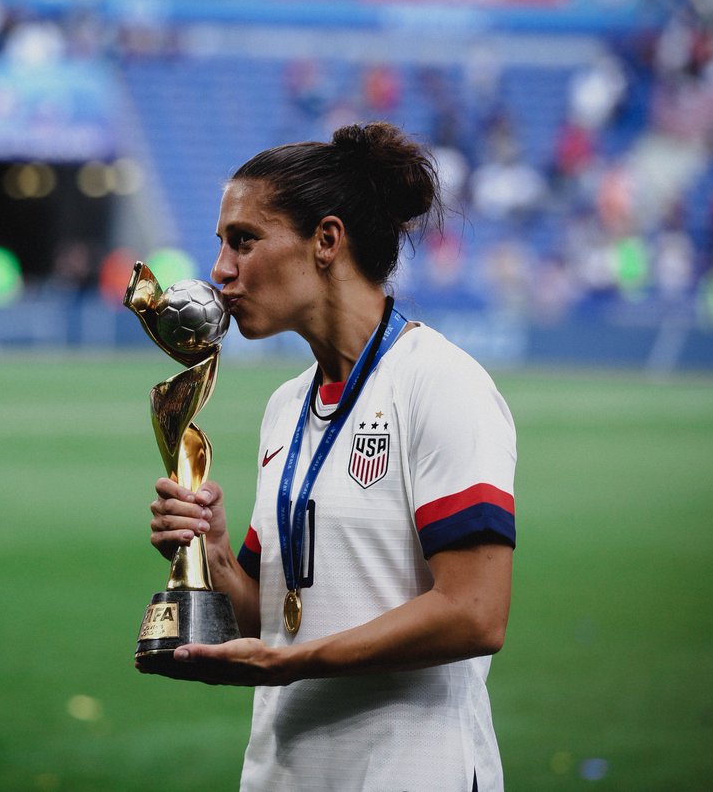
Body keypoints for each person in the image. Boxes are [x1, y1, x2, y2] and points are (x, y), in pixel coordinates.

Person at [145, 122, 517, 791]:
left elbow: (475, 611)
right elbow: (269, 614)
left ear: (326, 240)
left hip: (410, 773)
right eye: (220, 244)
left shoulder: (439, 384)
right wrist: (215, 552)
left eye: (244, 240)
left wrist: (292, 663)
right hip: (286, 772)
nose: (221, 271)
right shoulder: (287, 406)